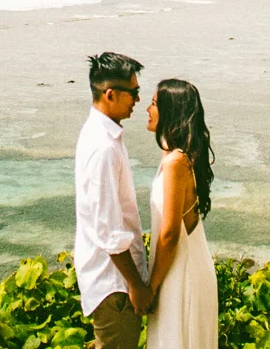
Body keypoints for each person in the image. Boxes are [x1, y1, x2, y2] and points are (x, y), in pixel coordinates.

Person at [74, 51, 151, 349]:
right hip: (114, 286)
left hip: (110, 281)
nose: (138, 100)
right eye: (133, 92)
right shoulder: (103, 147)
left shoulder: (99, 134)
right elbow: (108, 231)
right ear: (110, 94)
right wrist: (136, 285)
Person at [145, 78, 218, 349]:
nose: (147, 109)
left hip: (180, 273)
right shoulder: (178, 156)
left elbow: (169, 235)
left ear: (169, 111)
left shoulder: (176, 161)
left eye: (153, 104)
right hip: (182, 268)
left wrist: (150, 288)